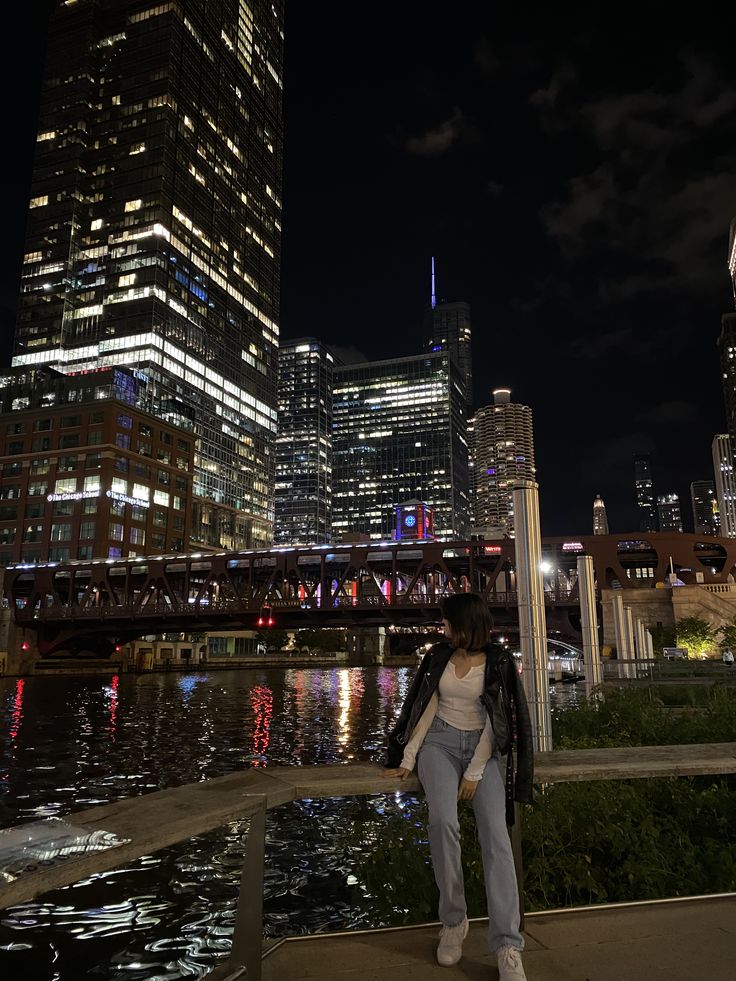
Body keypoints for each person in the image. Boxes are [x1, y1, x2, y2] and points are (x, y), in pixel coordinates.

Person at [382, 593, 533, 980]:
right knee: (442, 823)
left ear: (466, 624)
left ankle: (507, 945)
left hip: (483, 751)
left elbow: (497, 722)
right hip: (439, 745)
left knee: (496, 839)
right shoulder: (438, 656)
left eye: (447, 621)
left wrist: (476, 771)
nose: (442, 627)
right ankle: (453, 921)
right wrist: (408, 757)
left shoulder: (498, 661)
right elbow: (424, 705)